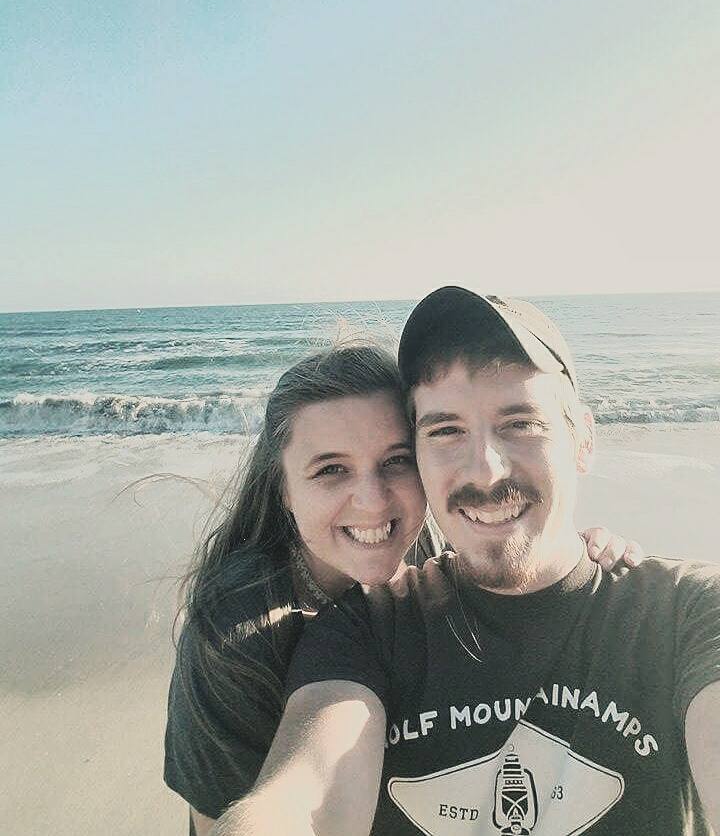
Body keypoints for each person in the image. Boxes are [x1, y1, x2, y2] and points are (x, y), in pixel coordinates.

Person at [213, 288, 720, 836]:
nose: (485, 471)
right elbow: (304, 797)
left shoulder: (688, 611)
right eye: (446, 431)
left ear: (583, 439)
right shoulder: (362, 627)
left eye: (520, 423)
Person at [164, 342, 638, 835]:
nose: (373, 502)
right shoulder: (233, 639)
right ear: (282, 486)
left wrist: (575, 551)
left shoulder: (422, 549)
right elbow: (248, 815)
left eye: (396, 461)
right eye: (331, 470)